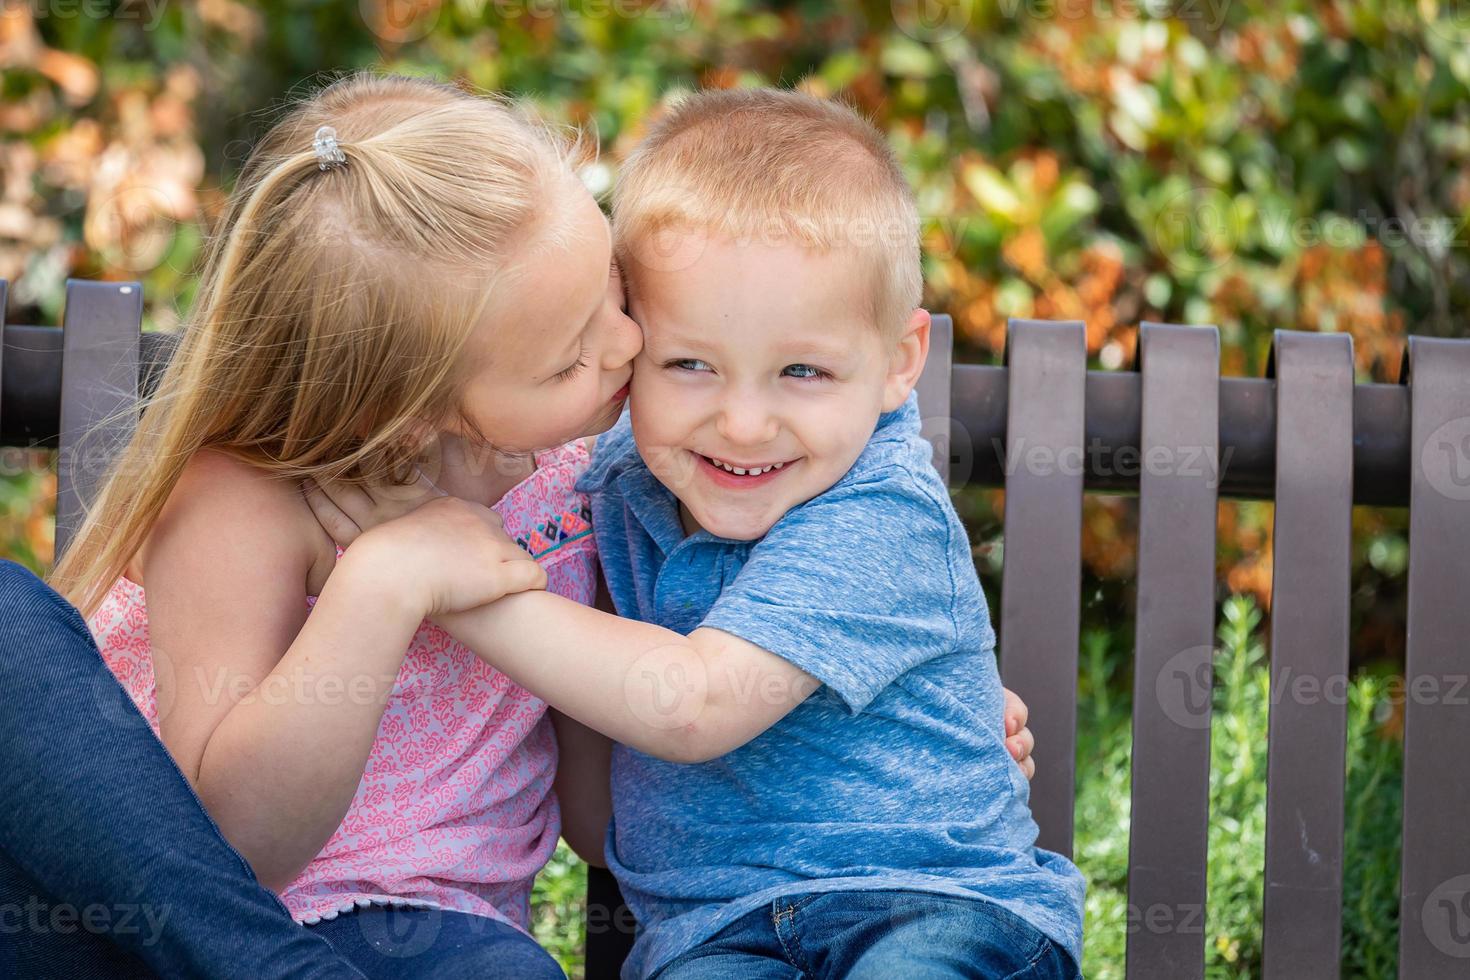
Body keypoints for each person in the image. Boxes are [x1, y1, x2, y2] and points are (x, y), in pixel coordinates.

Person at [305, 88, 1082, 980]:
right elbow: (598, 824)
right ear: (628, 346)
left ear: (898, 363)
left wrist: (449, 580)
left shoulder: (882, 510)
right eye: (689, 365)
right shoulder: (617, 486)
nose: (743, 424)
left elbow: (690, 704)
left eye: (802, 370)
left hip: (928, 904)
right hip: (715, 934)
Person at [11, 70, 645, 979]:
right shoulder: (256, 499)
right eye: (568, 360)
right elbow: (235, 846)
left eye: (613, 291)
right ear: (411, 414)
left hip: (445, 930)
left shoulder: (577, 478)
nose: (625, 345)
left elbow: (600, 818)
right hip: (231, 926)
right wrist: (383, 585)